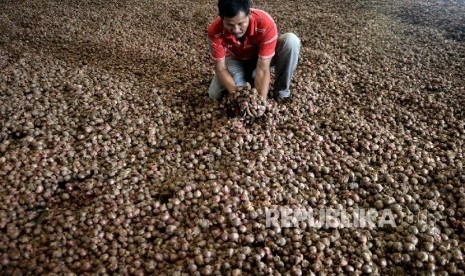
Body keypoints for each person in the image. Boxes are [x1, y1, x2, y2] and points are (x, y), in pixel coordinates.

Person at [207, 0, 300, 102]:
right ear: (221, 17)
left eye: (240, 23)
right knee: (214, 94)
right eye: (229, 25)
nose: (236, 30)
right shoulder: (214, 30)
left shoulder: (265, 23)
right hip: (236, 60)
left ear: (249, 14)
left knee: (291, 41)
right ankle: (249, 79)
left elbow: (263, 68)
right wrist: (236, 93)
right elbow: (220, 68)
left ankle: (281, 92)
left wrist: (261, 103)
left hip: (261, 58)